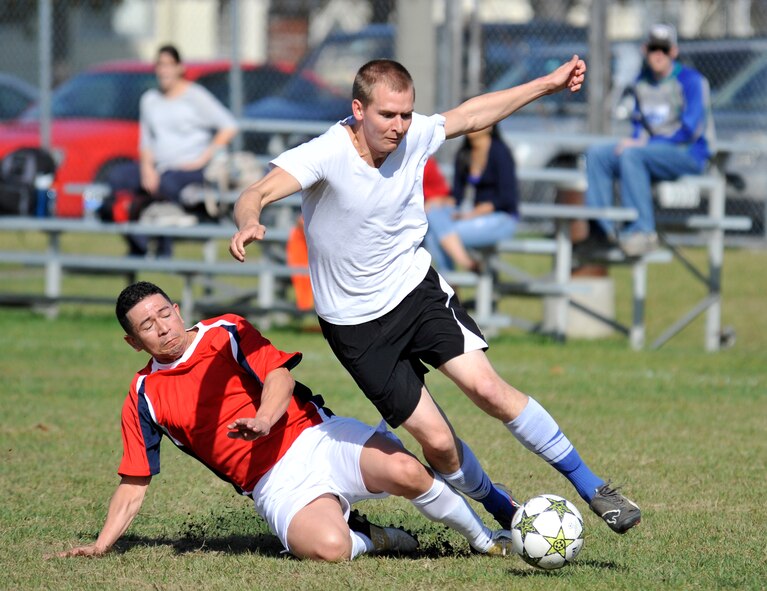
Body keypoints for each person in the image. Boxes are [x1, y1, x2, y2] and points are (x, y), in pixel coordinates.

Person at [229, 57, 642, 535]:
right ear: (358, 109)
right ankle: (505, 513)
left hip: (414, 292)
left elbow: (473, 114)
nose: (401, 127)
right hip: (354, 326)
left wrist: (546, 84)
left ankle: (593, 487)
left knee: (489, 389)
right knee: (438, 443)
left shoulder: (416, 133)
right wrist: (249, 221)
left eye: (407, 114)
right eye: (388, 115)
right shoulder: (326, 152)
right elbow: (255, 191)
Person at [53, 281, 516, 561]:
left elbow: (276, 375)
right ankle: (372, 538)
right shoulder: (143, 395)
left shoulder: (225, 331)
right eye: (146, 326)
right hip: (272, 484)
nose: (162, 327)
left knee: (407, 471)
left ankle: (483, 539)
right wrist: (102, 544)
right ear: (134, 342)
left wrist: (265, 418)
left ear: (178, 309)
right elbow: (134, 480)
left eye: (164, 313)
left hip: (315, 437)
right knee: (330, 549)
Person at [582, 23, 714, 257]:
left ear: (673, 51)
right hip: (649, 153)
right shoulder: (640, 82)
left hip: (687, 153)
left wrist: (645, 144)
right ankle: (602, 231)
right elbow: (640, 127)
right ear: (645, 49)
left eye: (663, 49)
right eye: (653, 48)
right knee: (597, 155)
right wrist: (639, 141)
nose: (658, 54)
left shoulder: (692, 81)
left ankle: (642, 232)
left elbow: (691, 131)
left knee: (633, 155)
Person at [108, 44, 238, 257]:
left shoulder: (195, 96)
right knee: (117, 178)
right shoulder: (149, 100)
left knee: (167, 182)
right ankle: (137, 243)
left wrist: (202, 159)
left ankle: (163, 247)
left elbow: (229, 126)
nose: (164, 70)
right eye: (160, 64)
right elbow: (146, 141)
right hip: (160, 168)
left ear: (179, 68)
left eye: (169, 65)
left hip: (191, 170)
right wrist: (146, 169)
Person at [423, 125, 519, 271]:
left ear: (490, 126)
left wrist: (470, 215)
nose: (472, 126)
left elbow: (506, 199)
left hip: (501, 217)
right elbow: (457, 197)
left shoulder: (500, 152)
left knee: (437, 235)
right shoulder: (464, 153)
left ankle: (451, 283)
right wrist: (437, 202)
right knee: (433, 213)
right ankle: (466, 265)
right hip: (472, 215)